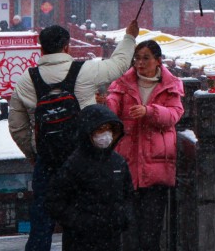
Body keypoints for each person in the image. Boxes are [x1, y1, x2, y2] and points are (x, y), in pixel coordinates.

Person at [8, 19, 138, 250]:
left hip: (46, 161)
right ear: (67, 47)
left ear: (42, 48)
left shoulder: (26, 80)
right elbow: (119, 65)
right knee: (84, 218)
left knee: (42, 220)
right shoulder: (85, 71)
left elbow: (17, 126)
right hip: (83, 161)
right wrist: (129, 37)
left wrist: (33, 152)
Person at [107, 40, 185, 251]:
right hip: (128, 164)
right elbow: (112, 107)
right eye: (137, 58)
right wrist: (104, 104)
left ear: (158, 61)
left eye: (145, 58)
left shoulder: (170, 85)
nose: (140, 63)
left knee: (151, 233)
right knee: (129, 231)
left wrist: (149, 111)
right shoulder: (123, 83)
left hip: (156, 168)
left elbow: (173, 115)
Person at [46, 104, 134, 251]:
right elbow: (54, 201)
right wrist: (78, 221)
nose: (106, 135)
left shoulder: (118, 162)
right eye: (100, 129)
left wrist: (123, 217)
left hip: (111, 237)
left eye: (109, 129)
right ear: (88, 132)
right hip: (80, 240)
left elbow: (128, 194)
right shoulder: (74, 164)